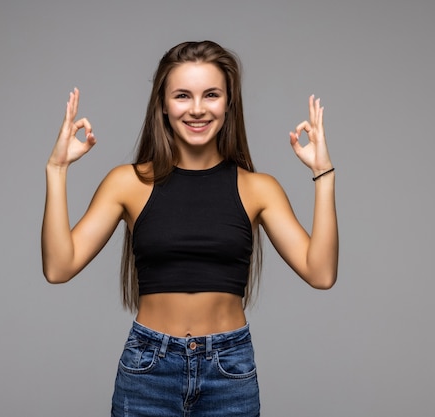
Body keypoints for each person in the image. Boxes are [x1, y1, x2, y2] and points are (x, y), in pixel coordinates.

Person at [41, 40, 338, 417]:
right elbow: (58, 267)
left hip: (228, 371)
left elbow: (321, 273)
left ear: (228, 103)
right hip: (148, 370)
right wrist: (57, 170)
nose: (197, 109)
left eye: (211, 94)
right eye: (182, 95)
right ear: (163, 105)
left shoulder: (258, 188)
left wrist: (323, 175)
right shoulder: (128, 183)